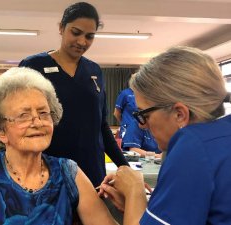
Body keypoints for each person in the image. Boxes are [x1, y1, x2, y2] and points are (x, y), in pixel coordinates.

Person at [0, 67, 119, 224]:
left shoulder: (68, 172)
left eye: (44, 113)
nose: (37, 122)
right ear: (0, 131)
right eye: (23, 115)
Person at [99, 46, 231, 224]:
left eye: (144, 115)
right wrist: (137, 207)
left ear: (179, 114)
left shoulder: (193, 146)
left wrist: (134, 191)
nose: (141, 125)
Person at [19, 2, 128, 187]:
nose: (82, 42)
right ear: (61, 28)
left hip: (91, 171)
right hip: (48, 170)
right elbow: (20, 121)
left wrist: (124, 166)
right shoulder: (33, 66)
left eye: (89, 36)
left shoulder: (94, 70)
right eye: (76, 32)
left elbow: (101, 125)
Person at [114, 80, 161, 158]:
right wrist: (156, 156)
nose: (141, 125)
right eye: (138, 112)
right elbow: (133, 150)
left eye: (145, 115)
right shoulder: (136, 124)